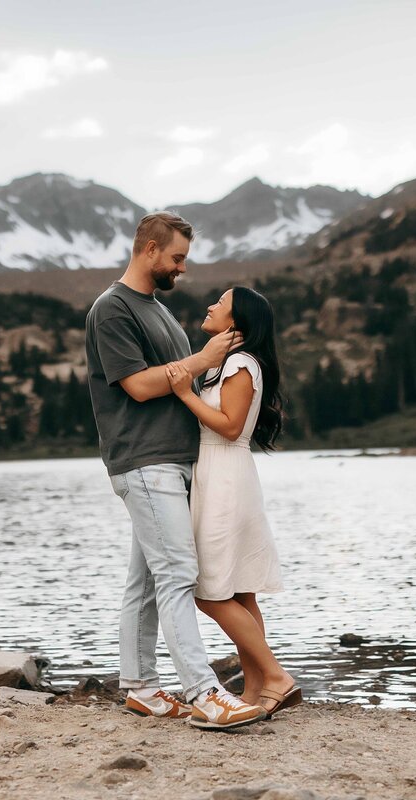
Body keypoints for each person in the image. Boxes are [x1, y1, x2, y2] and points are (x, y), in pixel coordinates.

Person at [85, 211, 267, 731]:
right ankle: (205, 693)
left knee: (145, 581)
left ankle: (140, 686)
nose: (182, 268)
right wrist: (202, 357)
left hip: (175, 462)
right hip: (144, 461)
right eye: (176, 257)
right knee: (179, 575)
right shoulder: (113, 309)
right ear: (148, 249)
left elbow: (182, 382)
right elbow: (139, 387)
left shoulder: (157, 309)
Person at [164, 286, 301, 717]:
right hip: (224, 476)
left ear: (237, 322)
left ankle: (277, 676)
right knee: (241, 592)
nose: (209, 306)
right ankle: (257, 692)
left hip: (224, 478)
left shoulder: (241, 364)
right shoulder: (230, 362)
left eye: (219, 303)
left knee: (209, 593)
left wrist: (185, 393)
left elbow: (229, 426)